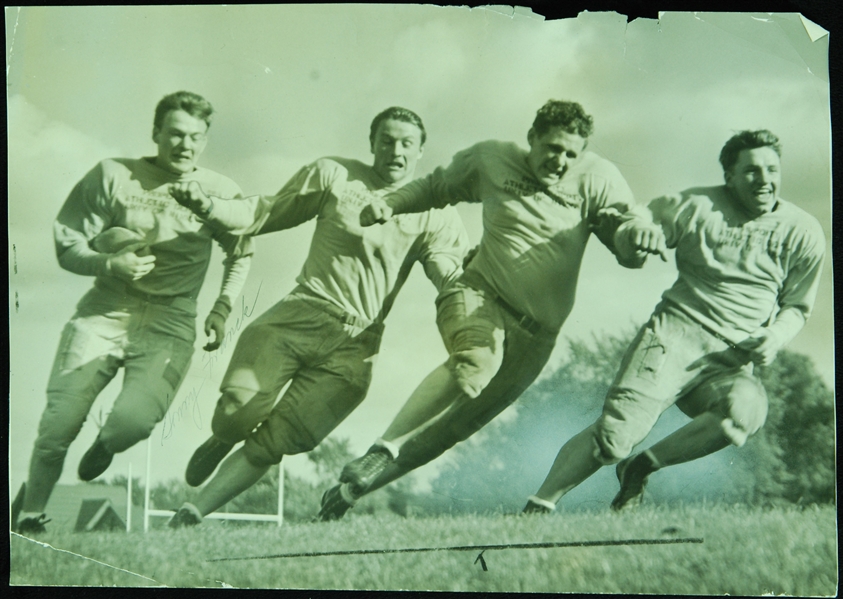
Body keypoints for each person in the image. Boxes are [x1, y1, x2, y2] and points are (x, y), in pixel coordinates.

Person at [317, 99, 666, 521]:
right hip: (479, 296)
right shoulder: (492, 159)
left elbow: (627, 241)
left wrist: (638, 235)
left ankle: (353, 490)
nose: (559, 161)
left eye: (570, 153)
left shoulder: (597, 178)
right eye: (551, 148)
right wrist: (391, 204)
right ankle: (382, 448)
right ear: (531, 138)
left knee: (448, 432)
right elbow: (434, 187)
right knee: (475, 364)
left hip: (537, 337)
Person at [164, 107, 470, 527]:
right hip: (301, 313)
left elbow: (447, 272)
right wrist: (210, 207)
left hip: (356, 343)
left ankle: (191, 513)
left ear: (420, 151)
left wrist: (465, 285)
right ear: (371, 144)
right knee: (238, 411)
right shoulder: (335, 175)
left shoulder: (436, 211)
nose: (395, 151)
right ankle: (224, 436)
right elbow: (265, 212)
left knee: (276, 443)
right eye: (386, 140)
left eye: (405, 143)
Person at [521, 129, 826, 515]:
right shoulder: (698, 205)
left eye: (771, 169)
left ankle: (642, 466)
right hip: (672, 339)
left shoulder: (803, 230)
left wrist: (775, 336)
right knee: (614, 438)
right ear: (729, 176)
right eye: (750, 171)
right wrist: (639, 230)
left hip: (729, 360)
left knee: (743, 414)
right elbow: (641, 218)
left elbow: (797, 305)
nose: (763, 180)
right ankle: (538, 506)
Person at [11, 91, 254, 534]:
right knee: (58, 424)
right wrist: (109, 263)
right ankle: (28, 518)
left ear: (205, 140)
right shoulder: (114, 175)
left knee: (133, 424)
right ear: (156, 133)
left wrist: (222, 307)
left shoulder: (219, 191)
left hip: (172, 320)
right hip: (105, 310)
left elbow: (241, 251)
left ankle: (106, 444)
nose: (185, 145)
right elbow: (68, 244)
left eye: (195, 137)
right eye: (175, 134)